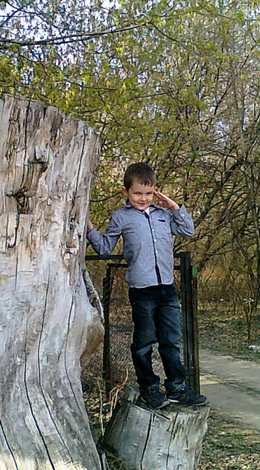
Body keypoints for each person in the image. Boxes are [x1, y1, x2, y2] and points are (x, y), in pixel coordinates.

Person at [86, 162, 207, 410]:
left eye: (148, 193)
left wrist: (173, 206)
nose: (143, 198)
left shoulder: (164, 215)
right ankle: (149, 389)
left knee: (171, 340)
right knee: (143, 342)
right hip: (142, 291)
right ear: (126, 192)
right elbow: (104, 247)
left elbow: (188, 230)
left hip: (167, 290)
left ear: (156, 192)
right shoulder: (121, 217)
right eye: (137, 193)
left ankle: (176, 387)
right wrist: (88, 227)